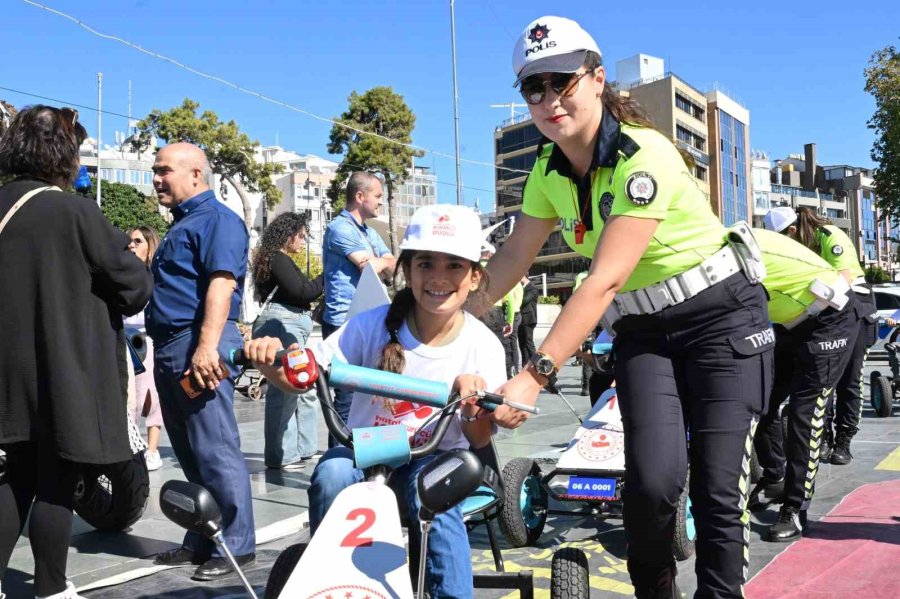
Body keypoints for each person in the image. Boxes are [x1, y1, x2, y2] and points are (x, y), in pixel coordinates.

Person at [481, 17, 775, 598]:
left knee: (717, 489)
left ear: (595, 79)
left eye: (560, 81)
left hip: (722, 319)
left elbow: (603, 281)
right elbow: (512, 259)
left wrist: (534, 375)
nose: (547, 99)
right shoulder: (546, 169)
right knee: (649, 486)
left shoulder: (647, 155)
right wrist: (440, 314)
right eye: (532, 88)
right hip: (645, 332)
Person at [302, 205, 503, 597]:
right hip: (365, 450)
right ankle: (336, 584)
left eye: (454, 267)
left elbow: (479, 439)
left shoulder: (483, 345)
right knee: (331, 476)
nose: (438, 278)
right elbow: (311, 368)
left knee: (438, 500)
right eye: (425, 265)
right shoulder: (369, 325)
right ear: (407, 272)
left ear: (475, 277)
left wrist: (472, 404)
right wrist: (278, 359)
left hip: (432, 457)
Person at [0, 105, 152, 599]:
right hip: (62, 367)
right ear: (64, 153)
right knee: (56, 479)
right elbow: (133, 287)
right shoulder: (74, 211)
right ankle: (51, 587)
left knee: (14, 475)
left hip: (6, 372)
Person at [145, 142, 255, 580]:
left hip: (197, 344)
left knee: (215, 449)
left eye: (164, 170)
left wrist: (206, 347)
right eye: (154, 170)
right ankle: (201, 538)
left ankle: (236, 546)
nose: (156, 178)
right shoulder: (184, 223)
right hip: (174, 346)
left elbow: (221, 285)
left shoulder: (218, 221)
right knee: (191, 453)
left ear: (195, 175)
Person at [747, 228, 860, 541]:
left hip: (830, 316)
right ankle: (774, 477)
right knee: (761, 401)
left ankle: (795, 508)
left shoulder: (726, 257)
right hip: (790, 321)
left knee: (804, 414)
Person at [764, 206, 875, 465]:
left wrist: (808, 310)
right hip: (819, 313)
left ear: (792, 230)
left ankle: (844, 441)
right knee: (822, 381)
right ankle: (822, 437)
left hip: (853, 306)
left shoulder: (828, 235)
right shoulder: (795, 246)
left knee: (849, 380)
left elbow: (844, 279)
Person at [321, 171, 396, 445]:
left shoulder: (367, 232)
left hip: (367, 318)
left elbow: (389, 262)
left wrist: (382, 262)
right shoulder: (339, 228)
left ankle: (357, 454)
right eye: (377, 196)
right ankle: (339, 457)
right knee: (347, 396)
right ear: (360, 196)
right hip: (344, 320)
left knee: (364, 395)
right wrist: (381, 262)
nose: (380, 203)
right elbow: (369, 267)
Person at [250, 212, 323, 470]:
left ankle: (304, 448)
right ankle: (282, 455)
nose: (303, 241)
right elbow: (303, 291)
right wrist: (329, 275)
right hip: (281, 324)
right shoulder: (277, 258)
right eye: (301, 236)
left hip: (290, 324)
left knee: (303, 386)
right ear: (287, 234)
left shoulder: (280, 259)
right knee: (285, 392)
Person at [125, 225, 164, 471]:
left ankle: (152, 449)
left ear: (150, 247)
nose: (131, 245)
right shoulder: (122, 275)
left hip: (146, 340)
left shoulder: (156, 277)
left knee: (150, 395)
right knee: (129, 397)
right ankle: (132, 444)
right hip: (123, 339)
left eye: (138, 241)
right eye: (130, 241)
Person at [517, 275, 539, 365]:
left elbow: (524, 301)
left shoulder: (532, 288)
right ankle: (525, 364)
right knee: (522, 343)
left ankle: (537, 363)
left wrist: (516, 298)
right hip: (522, 319)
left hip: (529, 319)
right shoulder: (522, 288)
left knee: (528, 342)